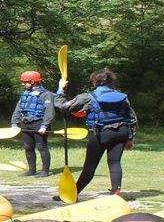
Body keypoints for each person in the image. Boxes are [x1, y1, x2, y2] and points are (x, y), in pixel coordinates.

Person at [54, 68, 137, 197]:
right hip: (122, 132)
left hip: (101, 133)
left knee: (90, 166)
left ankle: (72, 194)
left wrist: (60, 89)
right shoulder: (122, 96)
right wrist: (130, 138)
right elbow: (131, 117)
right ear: (111, 81)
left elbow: (63, 106)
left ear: (95, 82)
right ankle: (116, 192)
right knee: (114, 162)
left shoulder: (87, 97)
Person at [11, 71, 55, 177]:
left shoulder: (46, 94)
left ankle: (45, 171)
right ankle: (31, 170)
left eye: (25, 82)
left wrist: (44, 125)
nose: (23, 84)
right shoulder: (25, 94)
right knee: (28, 147)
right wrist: (14, 123)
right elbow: (18, 109)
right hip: (25, 123)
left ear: (33, 81)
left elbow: (50, 111)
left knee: (41, 147)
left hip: (39, 123)